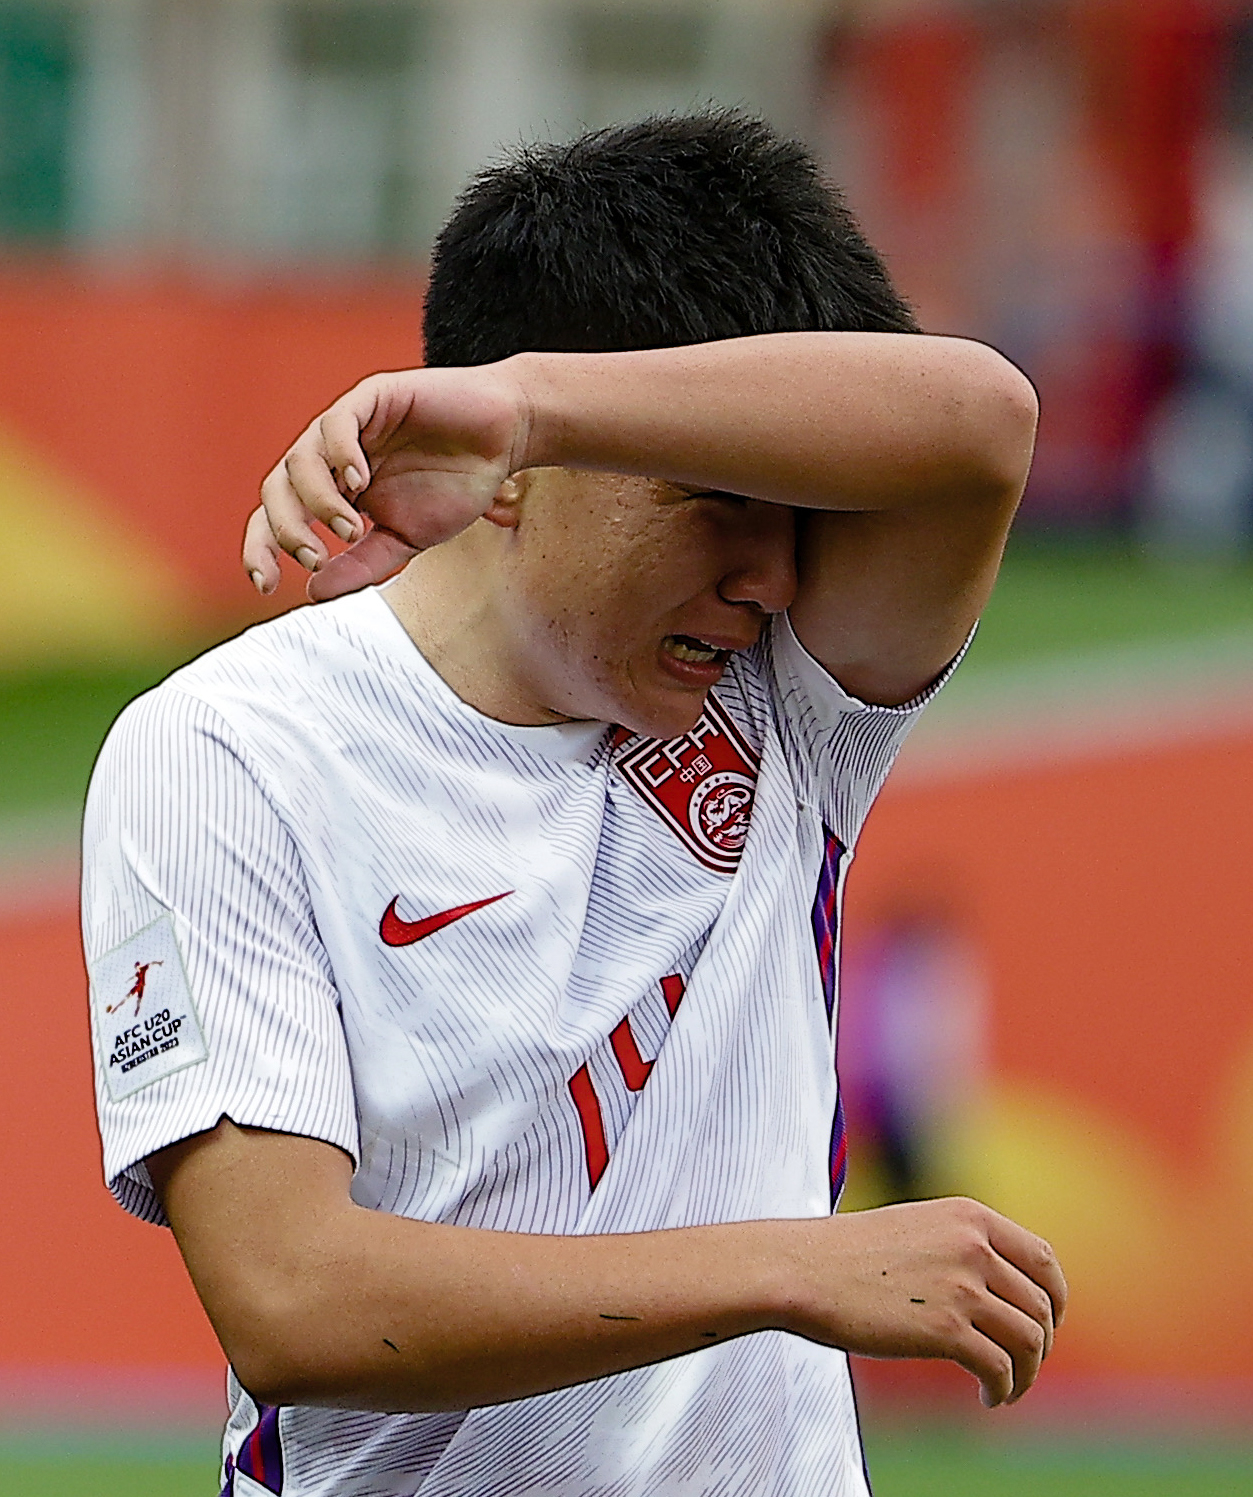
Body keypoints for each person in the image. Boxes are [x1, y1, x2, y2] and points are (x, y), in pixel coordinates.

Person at [80, 112, 1065, 1497]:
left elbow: (982, 422)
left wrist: (539, 402)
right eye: (720, 503)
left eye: (798, 516)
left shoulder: (785, 703)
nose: (774, 579)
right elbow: (292, 1298)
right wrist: (790, 1265)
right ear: (508, 479)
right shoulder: (227, 747)